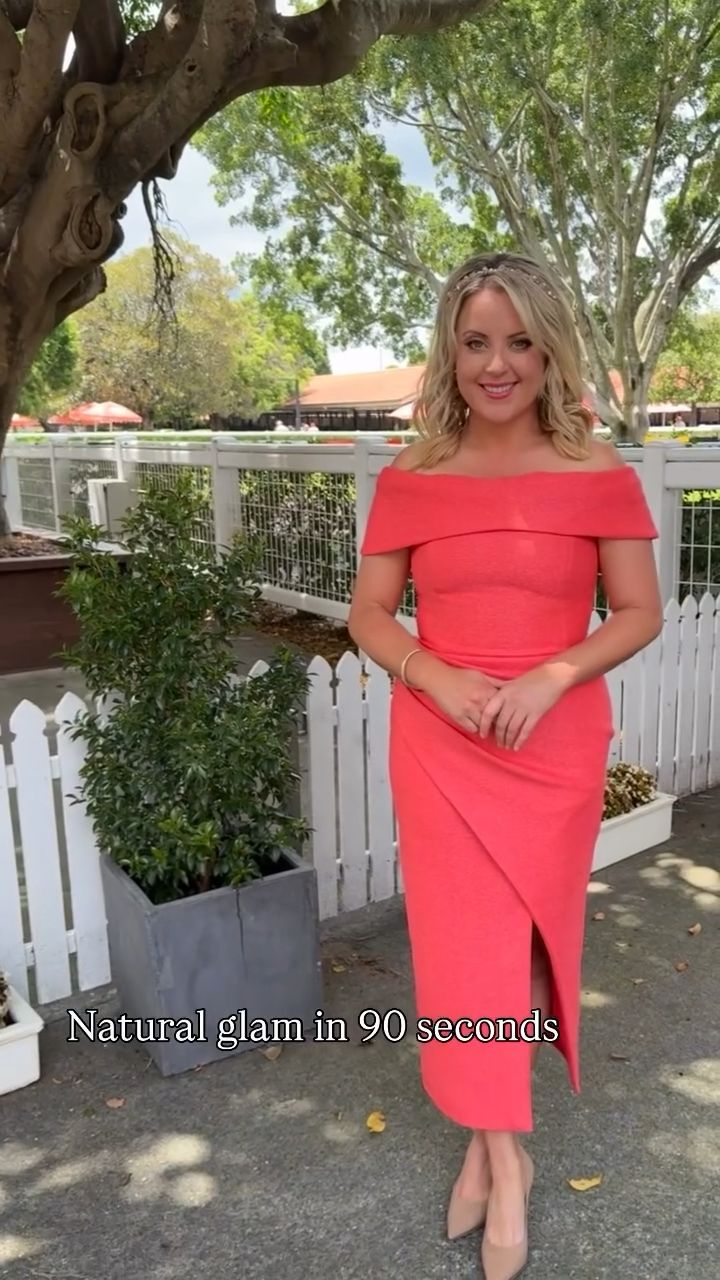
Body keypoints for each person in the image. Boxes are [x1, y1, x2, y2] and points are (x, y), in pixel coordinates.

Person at [347, 251, 662, 1280]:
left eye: (520, 341)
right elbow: (369, 615)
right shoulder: (411, 474)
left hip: (552, 742)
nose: (498, 364)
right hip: (440, 742)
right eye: (477, 341)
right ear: (451, 350)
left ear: (549, 350)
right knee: (462, 953)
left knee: (524, 947)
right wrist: (432, 673)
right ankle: (506, 1161)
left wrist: (552, 674)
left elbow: (639, 612)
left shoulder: (596, 470)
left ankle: (493, 1147)